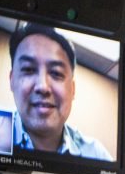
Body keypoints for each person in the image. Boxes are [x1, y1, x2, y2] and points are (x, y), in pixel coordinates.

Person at [8, 22, 113, 160]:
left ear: (73, 90)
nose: (43, 86)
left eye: (56, 73)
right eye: (28, 69)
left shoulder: (96, 154)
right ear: (12, 80)